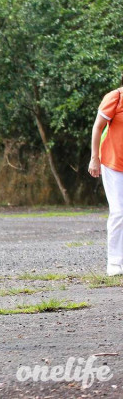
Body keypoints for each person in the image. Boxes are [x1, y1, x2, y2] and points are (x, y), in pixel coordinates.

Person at [88, 75, 123, 277]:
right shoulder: (114, 97)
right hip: (113, 163)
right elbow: (97, 127)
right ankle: (115, 262)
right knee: (118, 212)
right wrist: (95, 158)